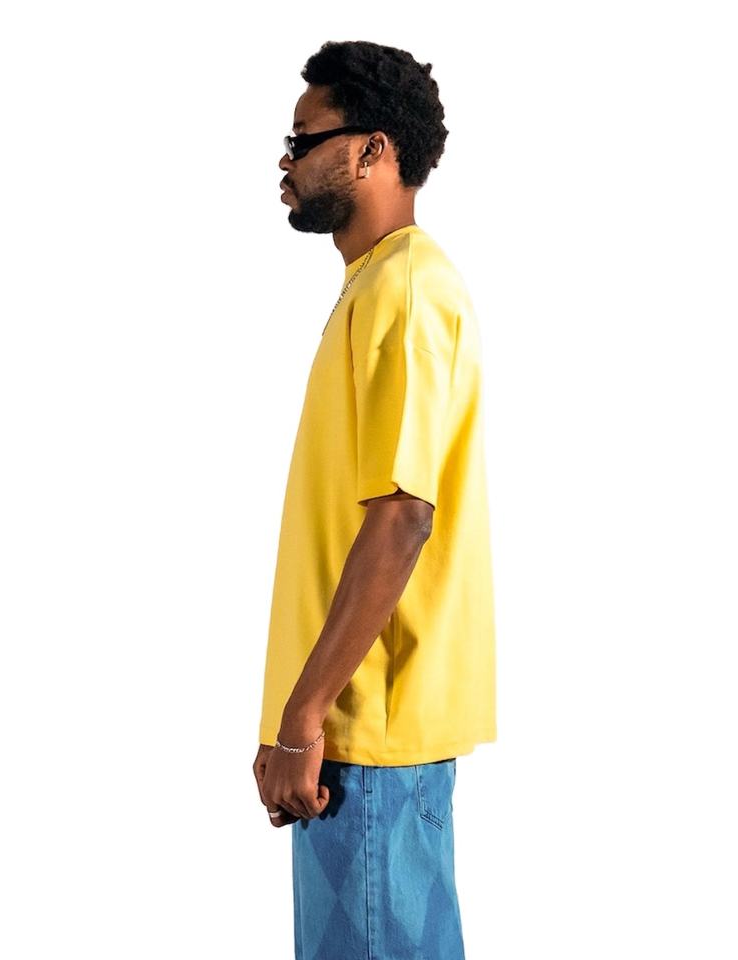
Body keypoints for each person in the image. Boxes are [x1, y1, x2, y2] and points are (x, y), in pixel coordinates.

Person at [252, 39, 496, 960]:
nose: (285, 160)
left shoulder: (407, 289)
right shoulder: (377, 289)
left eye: (304, 138)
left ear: (372, 150)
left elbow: (401, 520)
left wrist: (302, 718)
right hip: (353, 737)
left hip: (366, 741)